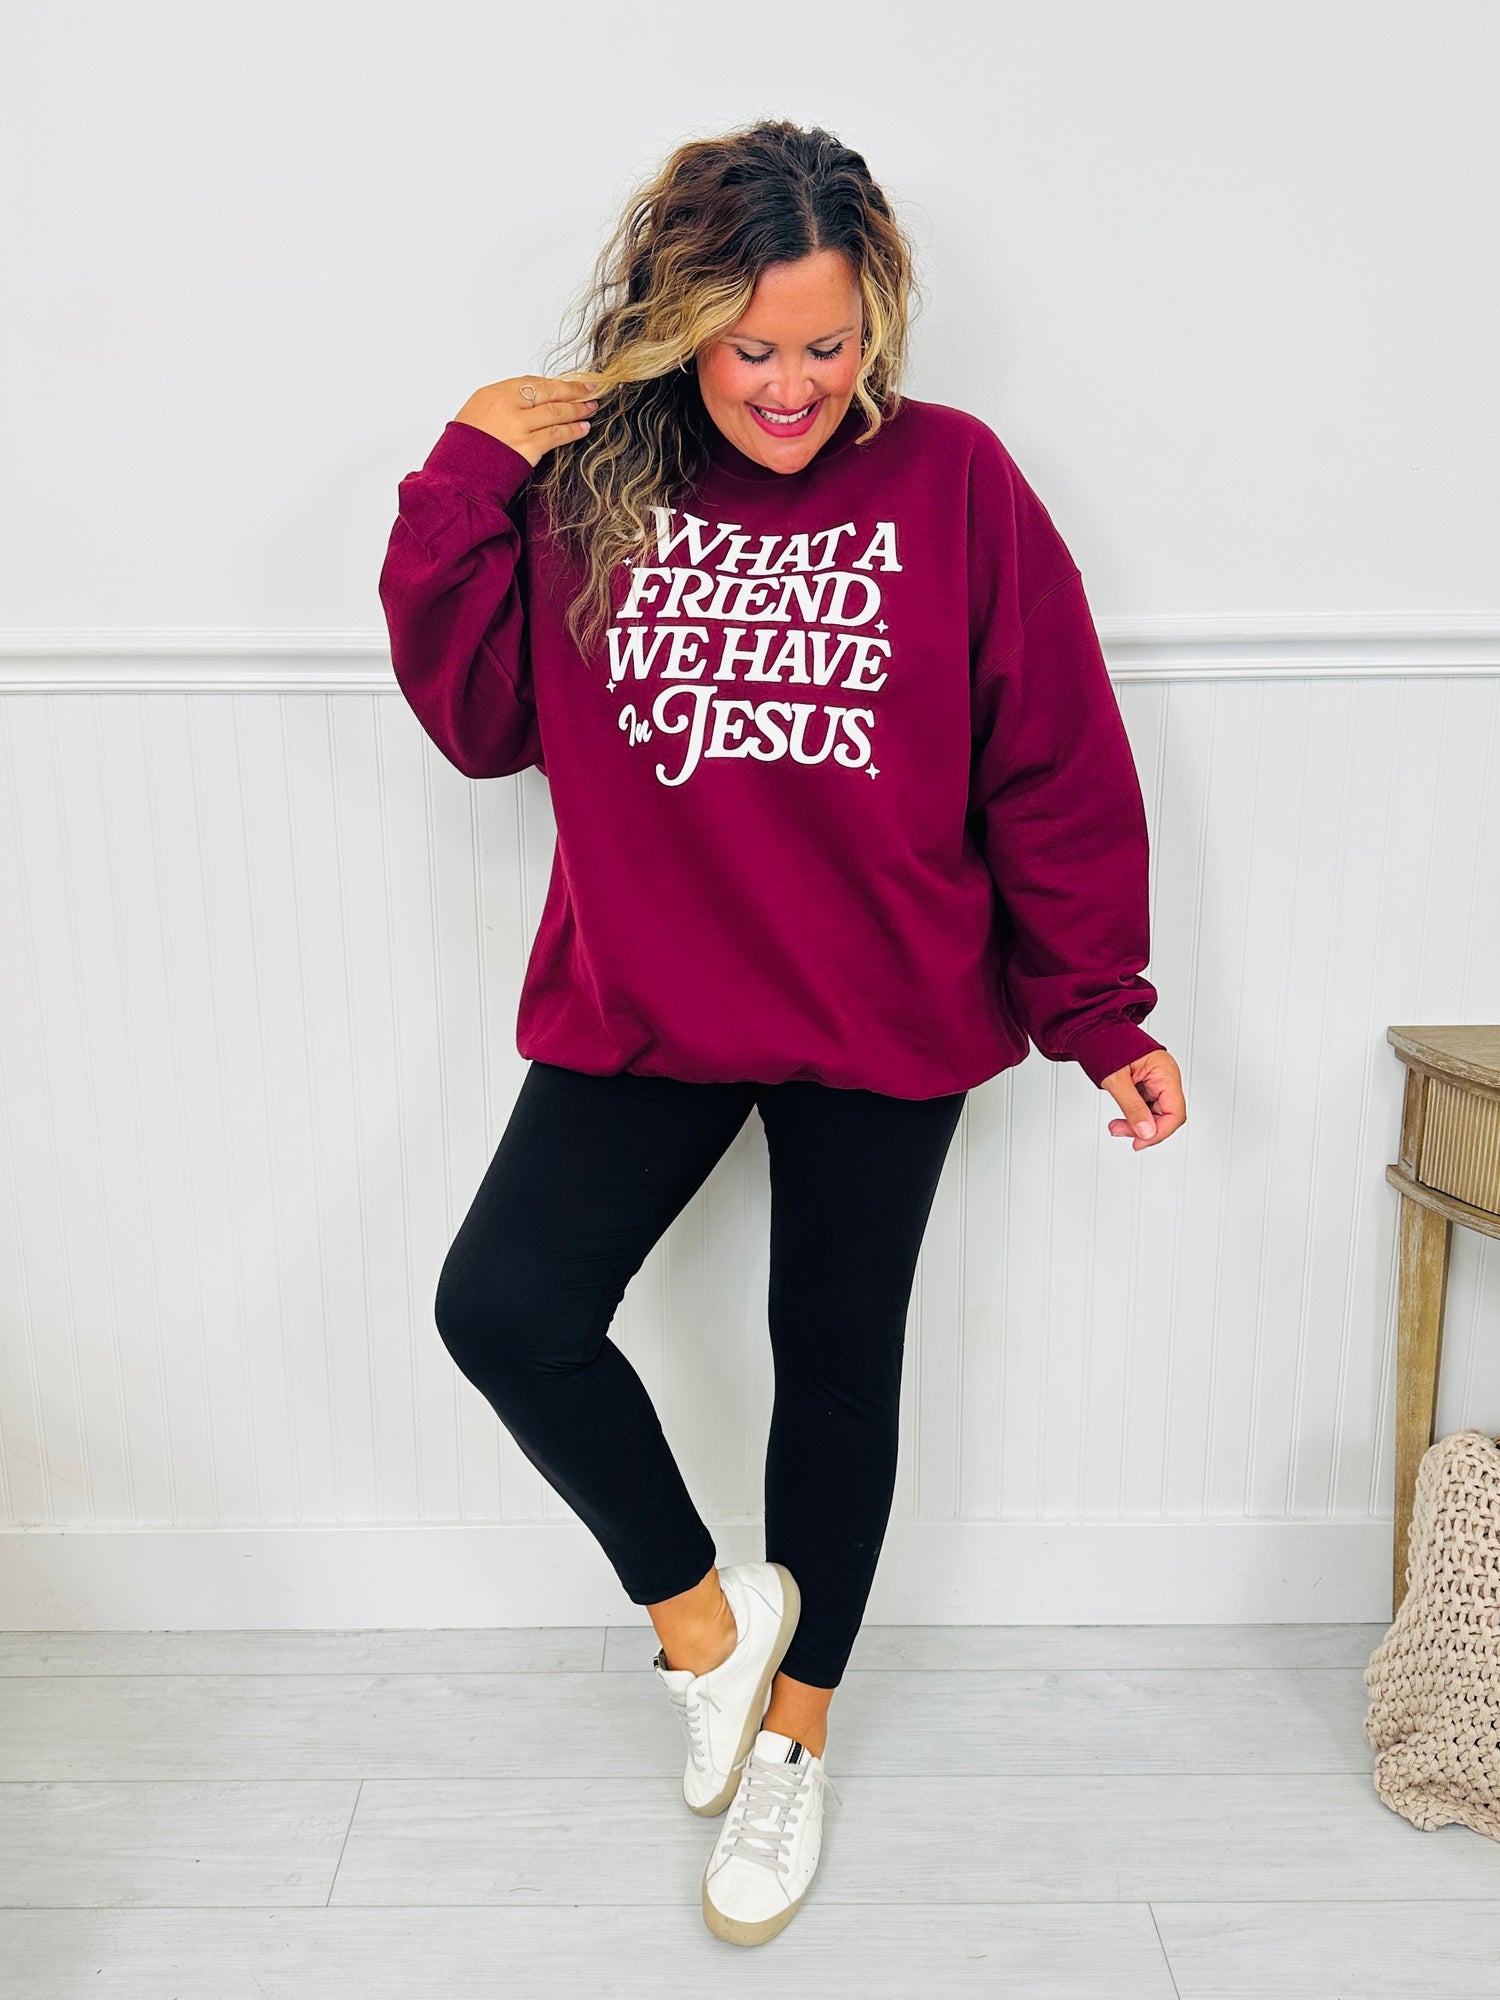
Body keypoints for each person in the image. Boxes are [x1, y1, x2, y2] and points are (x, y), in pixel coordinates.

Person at [377, 117, 1186, 1949]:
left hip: (886, 998)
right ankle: (708, 1629)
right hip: (648, 993)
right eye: (753, 349)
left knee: (833, 1364)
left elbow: (1051, 758)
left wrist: (1100, 1011)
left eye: (830, 344)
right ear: (680, 325)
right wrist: (463, 477)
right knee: (504, 1308)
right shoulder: (595, 479)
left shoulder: (956, 479)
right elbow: (484, 725)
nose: (795, 387)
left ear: (876, 316)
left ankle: (794, 1742)